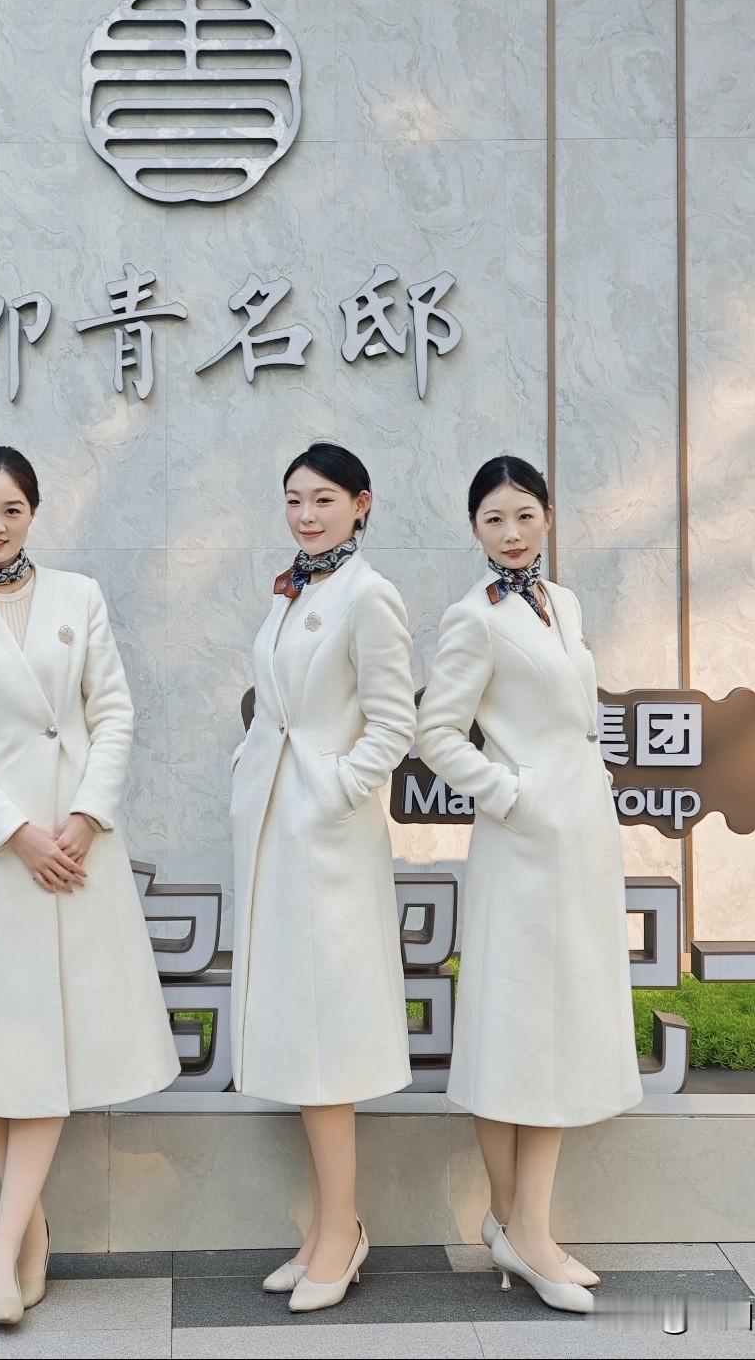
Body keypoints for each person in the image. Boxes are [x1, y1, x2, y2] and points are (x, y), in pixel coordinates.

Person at [0, 446, 178, 1328]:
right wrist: (18, 833)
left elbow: (114, 712)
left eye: (12, 509)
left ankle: (5, 1243)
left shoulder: (79, 596)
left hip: (76, 847)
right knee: (3, 1048)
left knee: (47, 1040)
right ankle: (24, 1233)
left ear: (34, 513)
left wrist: (85, 817)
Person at [416, 454, 642, 1316]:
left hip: (579, 843)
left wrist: (582, 788)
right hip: (522, 848)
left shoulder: (564, 602)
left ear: (548, 514)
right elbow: (437, 732)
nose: (510, 533)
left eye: (523, 514)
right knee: (519, 1030)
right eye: (493, 519)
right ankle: (532, 1234)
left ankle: (514, 1223)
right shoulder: (472, 617)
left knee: (549, 1024)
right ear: (474, 528)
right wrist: (514, 793)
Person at [230, 442, 416, 1314]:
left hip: (326, 841)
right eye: (295, 499)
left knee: (327, 1040)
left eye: (325, 499)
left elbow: (394, 721)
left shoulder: (368, 594)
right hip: (278, 832)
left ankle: (341, 1230)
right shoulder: (295, 589)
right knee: (300, 1035)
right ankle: (324, 1227)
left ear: (361, 504)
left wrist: (333, 792)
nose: (306, 514)